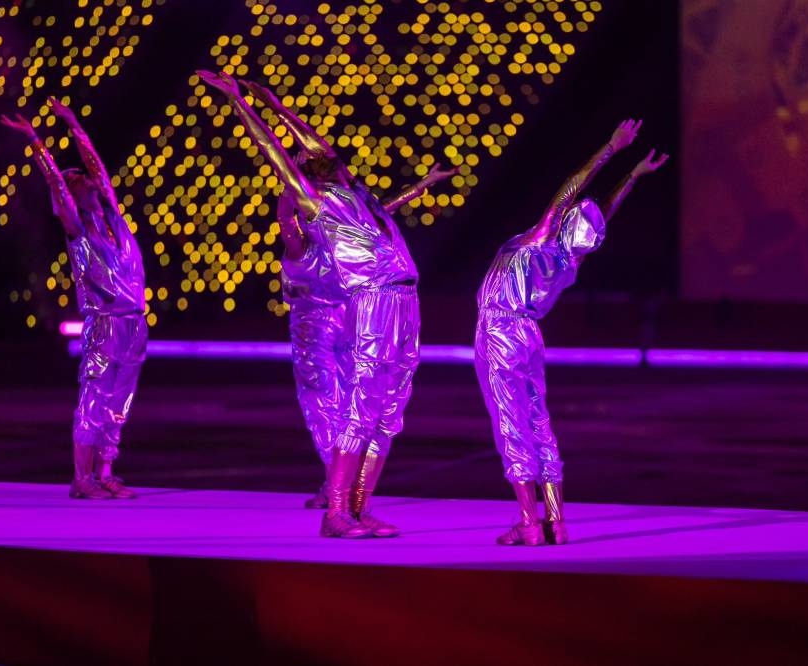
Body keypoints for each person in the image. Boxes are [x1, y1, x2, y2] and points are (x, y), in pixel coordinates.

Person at [199, 71, 452, 538]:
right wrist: (240, 104)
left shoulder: (359, 197)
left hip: (405, 299)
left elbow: (314, 143)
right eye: (315, 157)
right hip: (373, 299)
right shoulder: (316, 204)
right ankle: (336, 512)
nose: (322, 151)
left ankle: (358, 507)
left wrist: (277, 104)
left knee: (390, 412)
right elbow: (274, 152)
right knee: (363, 403)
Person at [475, 119, 668, 545]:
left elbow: (569, 188)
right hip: (529, 335)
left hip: (500, 330)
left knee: (512, 424)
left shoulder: (540, 239)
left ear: (564, 223)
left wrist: (611, 148)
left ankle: (529, 523)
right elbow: (603, 216)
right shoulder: (571, 261)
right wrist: (633, 177)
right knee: (539, 422)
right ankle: (556, 522)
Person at [2, 98, 147, 500]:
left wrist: (73, 123)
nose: (87, 179)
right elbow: (57, 186)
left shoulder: (113, 218)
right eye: (77, 180)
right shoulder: (79, 232)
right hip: (105, 324)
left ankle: (105, 472)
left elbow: (98, 168)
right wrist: (35, 141)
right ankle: (81, 478)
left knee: (119, 401)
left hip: (135, 323)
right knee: (95, 397)